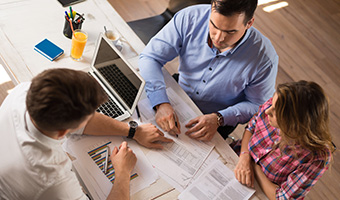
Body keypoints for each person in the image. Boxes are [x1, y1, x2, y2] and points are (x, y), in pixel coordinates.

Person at [0, 68, 173, 200]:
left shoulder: (24, 91)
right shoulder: (53, 181)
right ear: (63, 132)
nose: (93, 116)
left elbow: (85, 119)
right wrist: (122, 173)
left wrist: (134, 131)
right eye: (89, 115)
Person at [139, 0, 278, 141]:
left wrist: (219, 118)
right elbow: (150, 57)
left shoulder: (265, 59)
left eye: (230, 32)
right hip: (177, 94)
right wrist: (160, 102)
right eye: (214, 25)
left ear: (249, 23)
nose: (218, 38)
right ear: (211, 9)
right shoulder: (190, 18)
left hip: (217, 119)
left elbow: (257, 104)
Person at [234, 81, 334, 199]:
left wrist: (253, 166)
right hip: (236, 158)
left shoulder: (316, 157)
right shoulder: (275, 104)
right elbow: (251, 127)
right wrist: (245, 156)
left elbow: (281, 197)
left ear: (295, 123)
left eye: (275, 111)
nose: (267, 111)